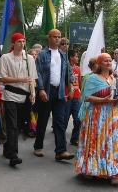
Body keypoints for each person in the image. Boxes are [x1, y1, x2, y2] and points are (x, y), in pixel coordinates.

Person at [75, 53, 118, 185]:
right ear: (99, 64)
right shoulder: (93, 78)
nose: (108, 63)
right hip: (97, 115)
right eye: (105, 61)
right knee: (97, 141)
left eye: (110, 60)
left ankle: (114, 174)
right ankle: (90, 168)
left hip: (112, 115)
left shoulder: (114, 79)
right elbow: (86, 97)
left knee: (112, 143)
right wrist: (102, 100)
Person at [0, 33, 37, 166]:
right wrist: (19, 79)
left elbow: (32, 79)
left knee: (19, 125)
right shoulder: (5, 58)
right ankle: (13, 155)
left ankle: (8, 146)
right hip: (10, 95)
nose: (21, 44)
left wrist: (33, 92)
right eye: (19, 41)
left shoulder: (29, 59)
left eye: (23, 41)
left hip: (24, 96)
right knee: (12, 125)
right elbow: (1, 78)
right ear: (13, 43)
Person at [33, 29, 75, 161]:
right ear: (49, 38)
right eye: (55, 37)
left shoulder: (63, 55)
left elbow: (68, 73)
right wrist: (40, 89)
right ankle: (38, 146)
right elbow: (38, 73)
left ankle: (61, 151)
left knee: (60, 121)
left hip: (60, 92)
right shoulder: (43, 55)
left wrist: (71, 86)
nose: (58, 39)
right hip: (47, 90)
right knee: (43, 120)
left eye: (59, 37)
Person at [64, 50, 82, 146]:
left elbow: (79, 82)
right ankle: (61, 138)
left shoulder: (78, 69)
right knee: (65, 118)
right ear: (71, 57)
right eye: (76, 56)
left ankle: (74, 138)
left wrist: (82, 93)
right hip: (67, 96)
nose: (77, 58)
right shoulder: (65, 68)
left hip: (77, 97)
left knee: (78, 118)